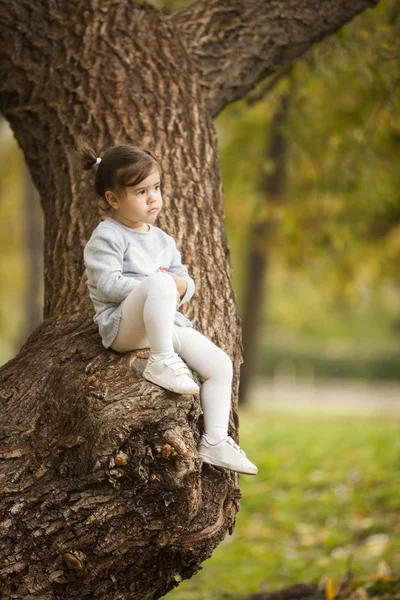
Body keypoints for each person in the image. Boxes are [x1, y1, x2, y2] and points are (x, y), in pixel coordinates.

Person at [77, 138, 258, 476]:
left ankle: (216, 440)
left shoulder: (162, 240)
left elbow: (183, 280)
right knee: (160, 281)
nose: (153, 198)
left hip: (163, 323)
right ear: (114, 199)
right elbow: (108, 285)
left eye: (156, 188)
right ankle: (160, 361)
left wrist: (180, 287)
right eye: (141, 192)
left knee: (219, 364)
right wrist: (157, 287)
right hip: (124, 328)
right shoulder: (108, 235)